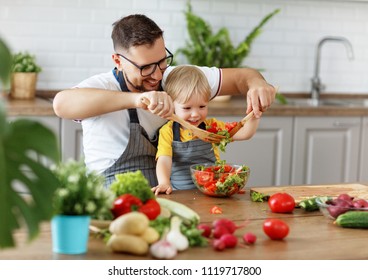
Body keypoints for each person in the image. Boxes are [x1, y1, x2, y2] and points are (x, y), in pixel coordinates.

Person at [52, 14, 276, 187]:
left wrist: (257, 84)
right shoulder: (102, 86)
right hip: (112, 194)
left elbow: (242, 77)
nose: (158, 75)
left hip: (167, 194)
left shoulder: (179, 78)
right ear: (118, 61)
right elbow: (61, 104)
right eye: (145, 67)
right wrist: (137, 99)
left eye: (162, 61)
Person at [152, 65, 259, 195]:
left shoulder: (212, 126)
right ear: (172, 105)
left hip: (213, 190)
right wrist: (164, 183)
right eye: (187, 108)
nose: (196, 114)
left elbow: (244, 133)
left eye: (202, 106)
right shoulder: (167, 131)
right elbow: (164, 159)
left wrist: (255, 113)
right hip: (180, 193)